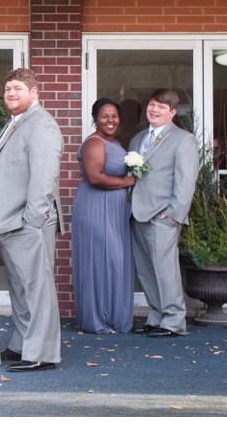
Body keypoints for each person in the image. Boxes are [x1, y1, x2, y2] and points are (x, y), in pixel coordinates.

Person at [0, 68, 64, 372]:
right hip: (10, 220)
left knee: (37, 288)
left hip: (28, 221)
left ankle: (41, 353)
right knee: (20, 288)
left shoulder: (41, 124)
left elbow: (44, 177)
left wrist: (32, 219)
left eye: (17, 88)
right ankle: (22, 344)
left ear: (34, 92)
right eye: (8, 90)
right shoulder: (17, 122)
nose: (11, 94)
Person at [128, 88, 200, 338]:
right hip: (137, 214)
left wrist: (173, 215)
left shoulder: (183, 139)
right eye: (152, 104)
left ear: (172, 113)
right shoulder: (138, 139)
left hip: (163, 216)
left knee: (165, 269)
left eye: (161, 106)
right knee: (146, 270)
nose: (154, 110)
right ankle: (156, 316)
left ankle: (173, 321)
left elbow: (186, 181)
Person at [71, 97, 137, 334]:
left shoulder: (115, 142)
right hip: (96, 208)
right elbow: (94, 177)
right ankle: (98, 318)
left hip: (114, 211)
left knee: (114, 260)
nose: (110, 120)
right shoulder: (95, 143)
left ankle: (112, 317)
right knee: (102, 259)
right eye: (104, 116)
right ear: (95, 119)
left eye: (114, 116)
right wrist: (126, 181)